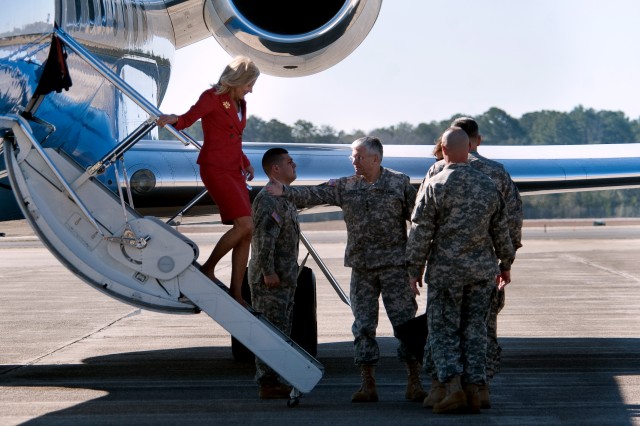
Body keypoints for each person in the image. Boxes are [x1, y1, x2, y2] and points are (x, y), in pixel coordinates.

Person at [267, 136, 427, 403]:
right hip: (362, 269)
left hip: (395, 268)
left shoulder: (399, 183)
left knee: (405, 327)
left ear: (376, 158)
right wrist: (285, 192)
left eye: (359, 156)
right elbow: (315, 193)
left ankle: (415, 381)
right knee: (363, 327)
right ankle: (368, 383)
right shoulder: (346, 186)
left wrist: (417, 265)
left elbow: (421, 222)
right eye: (352, 156)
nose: (354, 161)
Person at [406, 127, 515, 414]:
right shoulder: (487, 184)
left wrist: (414, 268)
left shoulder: (435, 184)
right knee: (475, 330)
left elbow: (421, 231)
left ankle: (452, 388)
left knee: (444, 331)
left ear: (443, 150)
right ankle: (477, 390)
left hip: (446, 273)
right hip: (481, 272)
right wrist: (505, 264)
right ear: (469, 148)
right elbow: (501, 230)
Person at [156, 56, 259, 305]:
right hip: (216, 169)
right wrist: (174, 120)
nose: (251, 90)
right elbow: (189, 118)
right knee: (244, 226)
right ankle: (208, 269)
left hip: (234, 169)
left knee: (247, 232)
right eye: (249, 84)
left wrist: (245, 162)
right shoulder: (211, 97)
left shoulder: (240, 103)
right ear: (237, 80)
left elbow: (233, 137)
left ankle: (236, 292)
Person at [248, 148, 299, 399]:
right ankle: (267, 382)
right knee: (270, 330)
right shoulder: (269, 199)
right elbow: (263, 239)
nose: (295, 165)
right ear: (275, 169)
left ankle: (274, 379)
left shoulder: (283, 197)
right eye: (289, 162)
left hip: (283, 278)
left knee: (280, 329)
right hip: (271, 280)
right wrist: (268, 272)